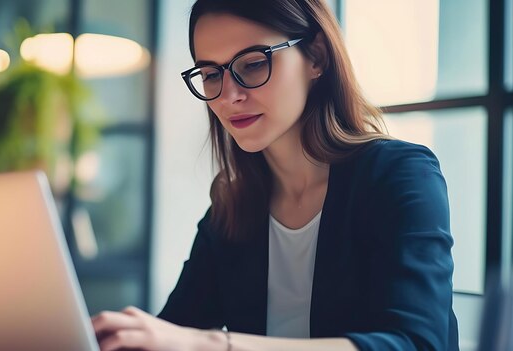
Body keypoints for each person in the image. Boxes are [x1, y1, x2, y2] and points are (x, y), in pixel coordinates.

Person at [92, 0, 459, 350]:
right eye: (209, 74)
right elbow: (173, 331)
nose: (228, 96)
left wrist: (215, 344)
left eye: (252, 64)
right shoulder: (233, 203)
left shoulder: (399, 175)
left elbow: (415, 343)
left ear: (316, 56)